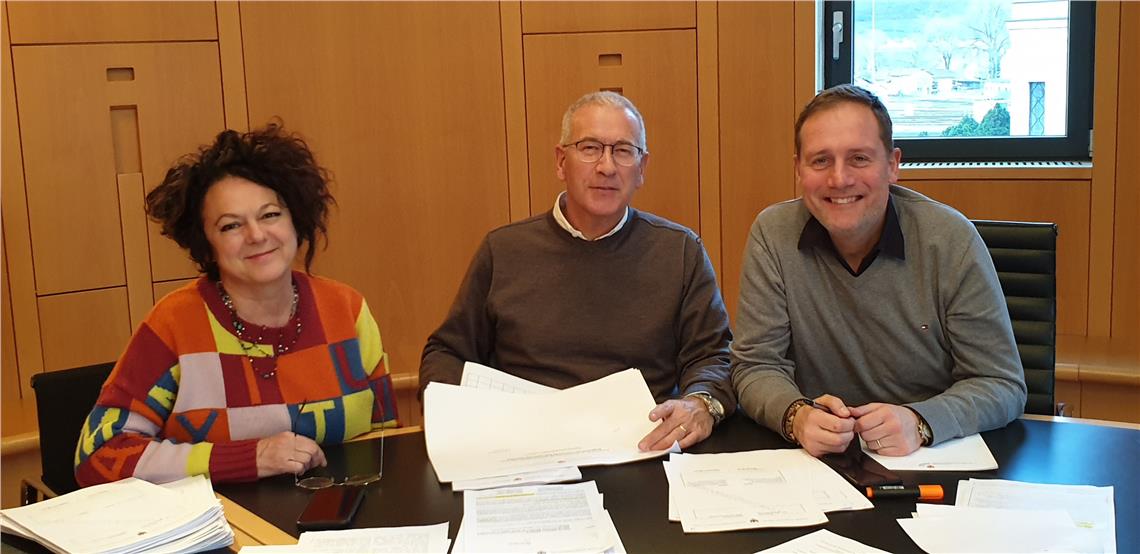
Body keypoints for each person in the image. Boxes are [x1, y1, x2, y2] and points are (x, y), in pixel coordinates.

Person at [75, 122, 398, 486]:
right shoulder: (174, 323)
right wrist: (247, 458)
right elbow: (98, 455)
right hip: (219, 518)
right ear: (206, 244)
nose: (256, 235)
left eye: (270, 215)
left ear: (296, 220)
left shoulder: (346, 309)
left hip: (339, 511)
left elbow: (387, 440)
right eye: (231, 226)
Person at [420, 91, 734, 451]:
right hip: (526, 452)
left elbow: (714, 355)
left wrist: (701, 404)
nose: (607, 167)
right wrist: (449, 416)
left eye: (623, 150)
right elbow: (446, 352)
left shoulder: (680, 251)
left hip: (643, 448)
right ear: (560, 162)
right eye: (590, 148)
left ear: (642, 168)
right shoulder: (503, 250)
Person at [731, 84, 1026, 458]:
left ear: (892, 165)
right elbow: (755, 366)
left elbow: (1000, 383)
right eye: (820, 160)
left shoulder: (951, 239)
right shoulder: (773, 235)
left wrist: (921, 421)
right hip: (815, 462)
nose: (839, 179)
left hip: (926, 458)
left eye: (859, 158)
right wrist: (796, 416)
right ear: (798, 169)